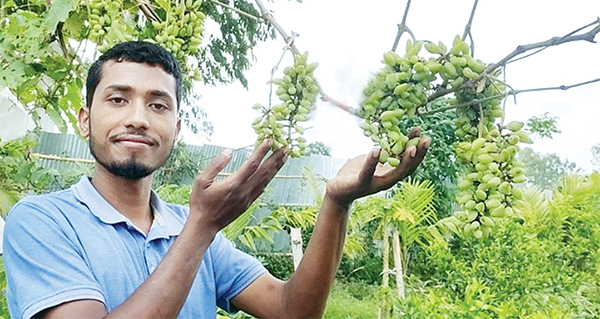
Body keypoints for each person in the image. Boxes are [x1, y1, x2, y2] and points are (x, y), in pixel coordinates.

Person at [3, 41, 430, 319]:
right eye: (117, 99)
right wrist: (202, 226)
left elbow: (291, 311)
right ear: (85, 119)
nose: (137, 118)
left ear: (176, 126)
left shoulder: (185, 228)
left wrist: (336, 203)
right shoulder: (41, 221)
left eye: (158, 105)